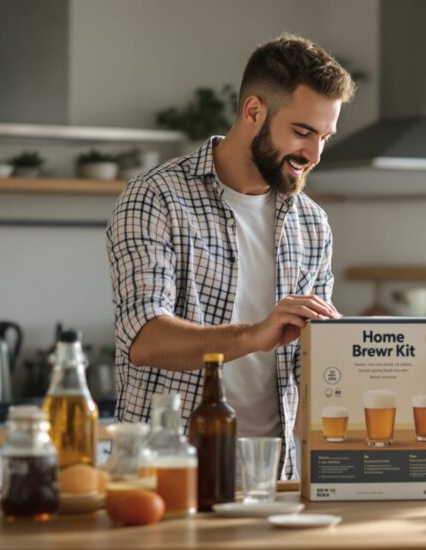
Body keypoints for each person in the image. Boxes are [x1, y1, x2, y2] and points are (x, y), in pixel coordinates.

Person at [105, 35, 356, 479]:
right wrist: (256, 334)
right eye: (302, 132)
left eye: (325, 137)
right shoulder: (156, 197)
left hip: (273, 478)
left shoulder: (312, 223)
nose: (315, 155)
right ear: (253, 111)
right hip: (165, 476)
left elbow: (310, 369)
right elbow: (144, 339)